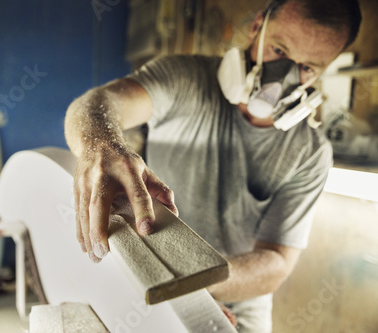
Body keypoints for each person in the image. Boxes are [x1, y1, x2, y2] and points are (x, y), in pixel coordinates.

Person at [64, 0, 362, 331]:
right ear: (256, 28)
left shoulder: (310, 152)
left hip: (234, 302)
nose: (287, 75)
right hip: (146, 280)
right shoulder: (183, 78)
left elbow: (276, 262)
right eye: (279, 50)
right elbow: (100, 102)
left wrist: (195, 290)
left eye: (307, 67)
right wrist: (100, 144)